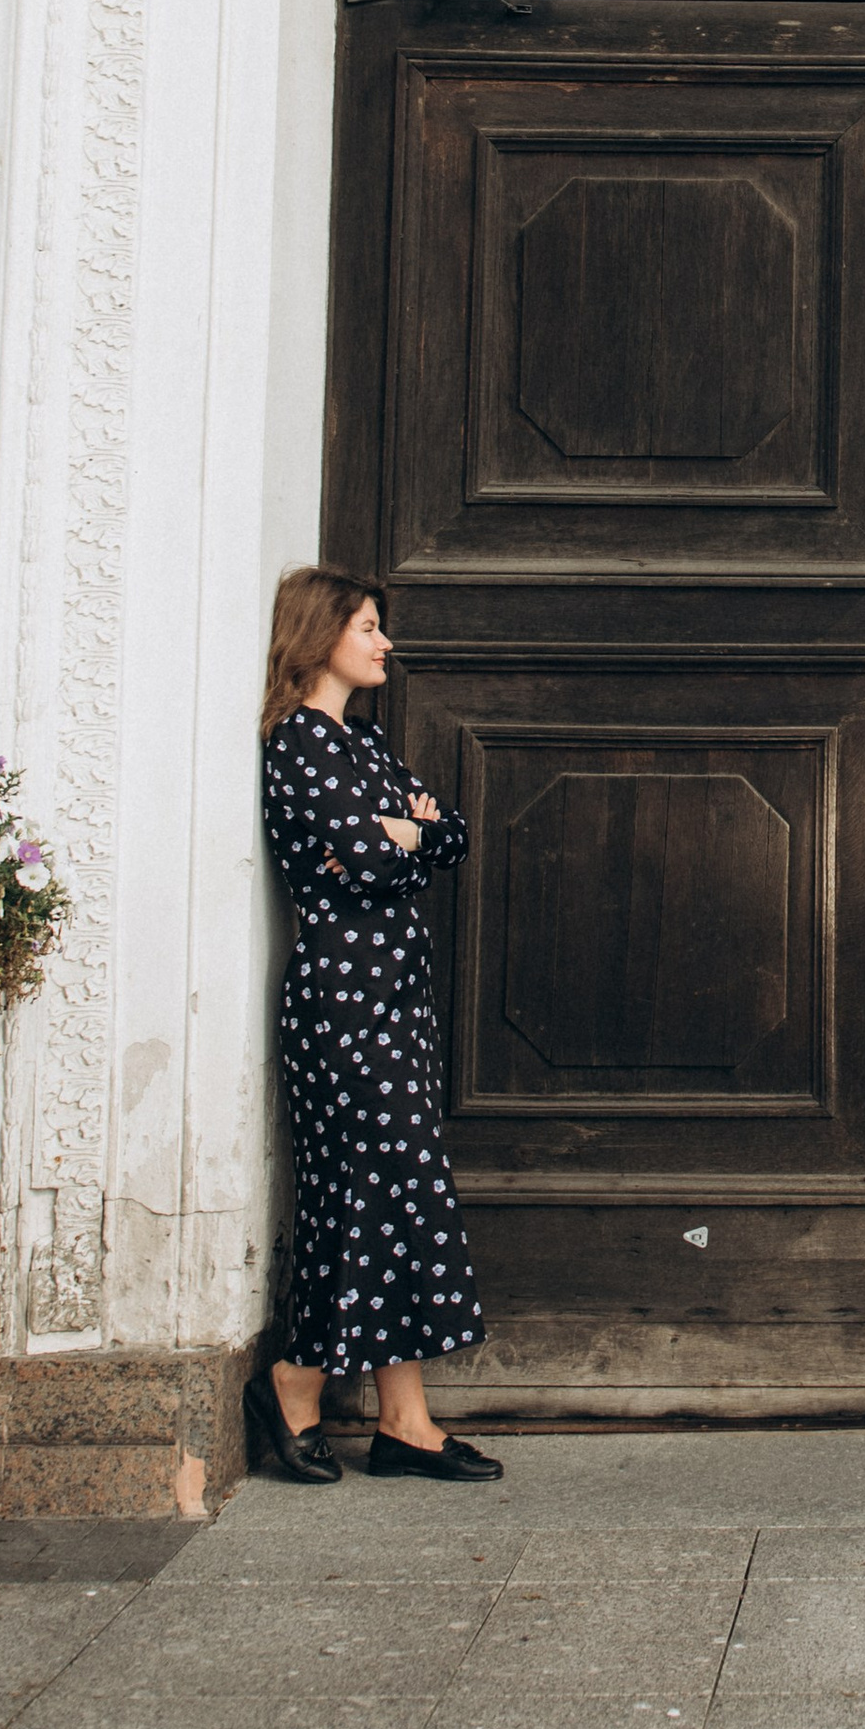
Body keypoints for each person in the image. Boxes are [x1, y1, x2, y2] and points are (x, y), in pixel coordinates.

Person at [243, 566, 502, 1485]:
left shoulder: (364, 745)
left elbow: (455, 835)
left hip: (393, 996)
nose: (383, 641)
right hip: (340, 999)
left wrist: (405, 833)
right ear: (320, 637)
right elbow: (359, 858)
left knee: (404, 1190)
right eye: (366, 625)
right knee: (363, 1188)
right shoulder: (298, 745)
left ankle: (406, 1420)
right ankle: (294, 1382)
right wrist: (399, 834)